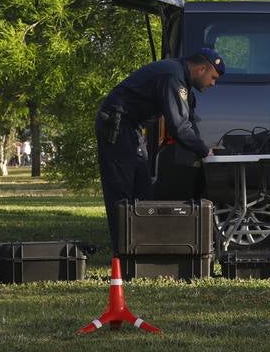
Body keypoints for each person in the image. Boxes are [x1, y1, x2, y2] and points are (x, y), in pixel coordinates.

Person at [94, 47, 225, 254]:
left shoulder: (181, 80)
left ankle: (141, 246)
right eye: (213, 77)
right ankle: (123, 252)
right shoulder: (173, 77)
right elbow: (179, 126)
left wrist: (203, 147)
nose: (213, 83)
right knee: (121, 191)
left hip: (132, 128)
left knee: (143, 190)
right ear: (201, 69)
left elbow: (189, 121)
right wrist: (203, 151)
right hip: (118, 127)